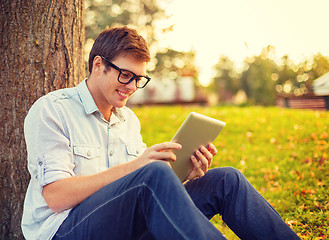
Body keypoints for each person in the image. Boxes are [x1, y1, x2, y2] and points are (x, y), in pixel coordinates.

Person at [22, 26, 299, 240]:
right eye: (125, 75)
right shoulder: (52, 110)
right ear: (98, 66)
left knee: (226, 180)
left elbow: (141, 196)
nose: (131, 86)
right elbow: (55, 197)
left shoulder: (128, 120)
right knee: (151, 173)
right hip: (66, 230)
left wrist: (183, 175)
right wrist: (140, 167)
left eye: (138, 79)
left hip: (124, 227)